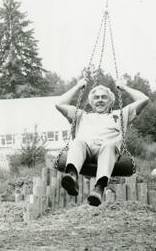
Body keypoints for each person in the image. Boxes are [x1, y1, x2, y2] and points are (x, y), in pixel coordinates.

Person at [55, 78, 149, 206]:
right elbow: (59, 104)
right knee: (77, 142)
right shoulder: (81, 115)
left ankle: (99, 188)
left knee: (109, 145)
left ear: (111, 102)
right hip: (85, 151)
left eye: (104, 97)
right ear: (91, 102)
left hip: (107, 152)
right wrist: (77, 87)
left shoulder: (121, 115)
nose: (100, 100)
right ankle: (71, 176)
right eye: (96, 97)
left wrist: (124, 87)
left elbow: (144, 99)